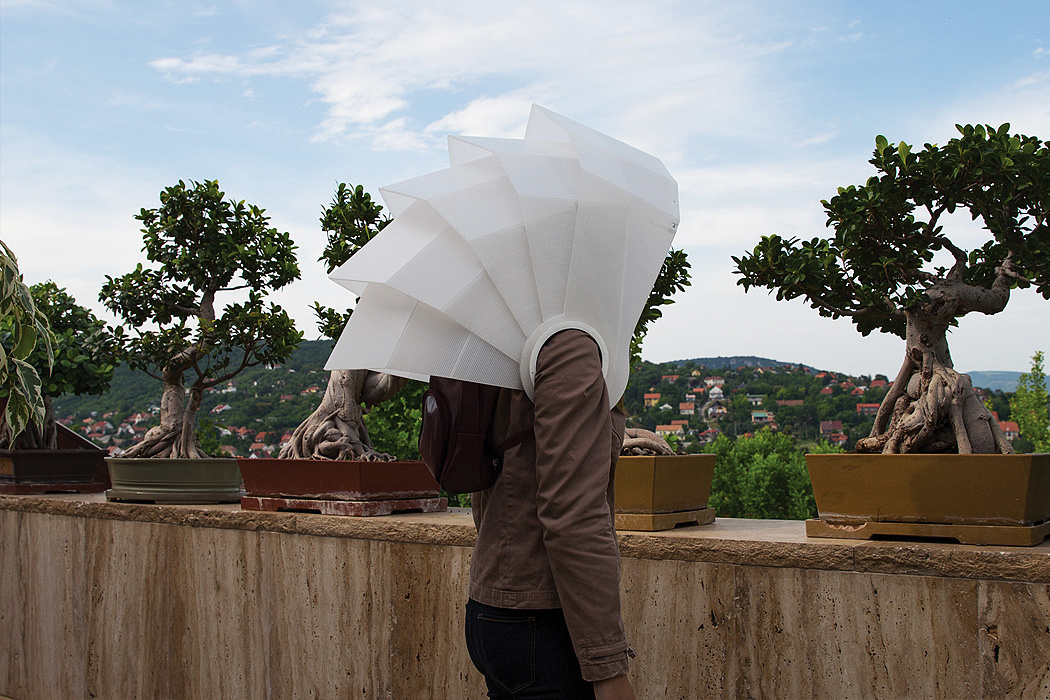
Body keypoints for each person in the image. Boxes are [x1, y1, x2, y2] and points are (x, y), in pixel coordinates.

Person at [465, 328, 635, 700]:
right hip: (543, 624)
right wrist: (607, 666)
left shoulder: (503, 343)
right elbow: (574, 516)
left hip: (492, 607)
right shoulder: (568, 345)